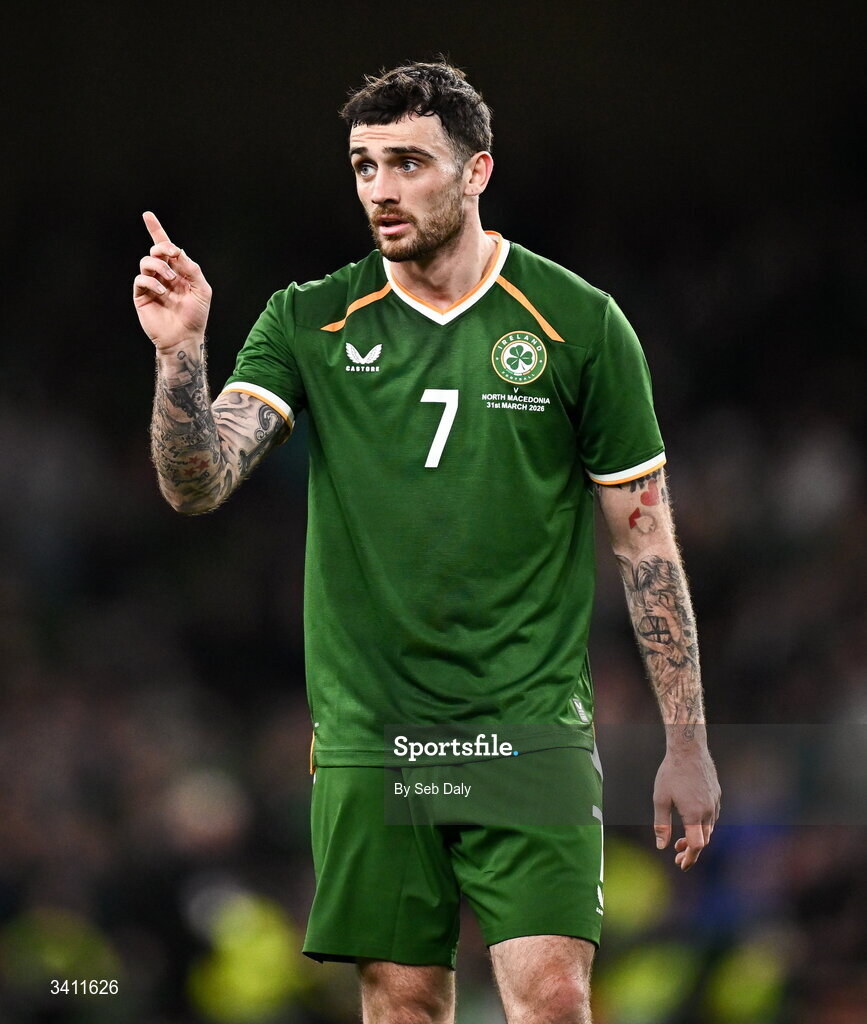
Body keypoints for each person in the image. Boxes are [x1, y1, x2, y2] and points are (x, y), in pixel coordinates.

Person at [134, 60, 720, 1024]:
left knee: (553, 998)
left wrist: (686, 742)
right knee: (403, 1002)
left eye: (408, 163)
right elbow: (195, 484)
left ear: (476, 170)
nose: (381, 189)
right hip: (373, 734)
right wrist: (179, 353)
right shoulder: (308, 318)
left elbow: (645, 548)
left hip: (527, 720)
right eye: (364, 166)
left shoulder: (578, 324)